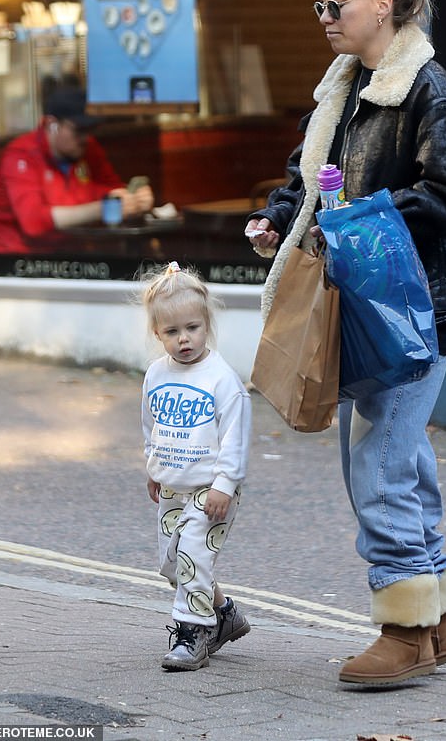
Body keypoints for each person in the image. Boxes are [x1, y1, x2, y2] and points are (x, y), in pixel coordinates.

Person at [246, 0, 446, 687]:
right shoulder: (343, 90)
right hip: (362, 303)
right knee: (401, 455)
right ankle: (439, 617)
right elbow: (311, 175)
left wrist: (360, 217)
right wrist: (281, 215)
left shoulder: (435, 95)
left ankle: (403, 626)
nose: (323, 15)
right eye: (320, 3)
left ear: (384, 6)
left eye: (336, 3)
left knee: (377, 462)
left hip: (412, 310)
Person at [140, 261, 252, 672]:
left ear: (207, 324)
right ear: (158, 334)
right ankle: (224, 614)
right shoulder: (156, 374)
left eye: (192, 328)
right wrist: (154, 466)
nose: (184, 339)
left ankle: (193, 634)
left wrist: (225, 484)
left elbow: (235, 440)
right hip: (172, 485)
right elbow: (151, 424)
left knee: (192, 554)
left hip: (211, 487)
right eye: (172, 332)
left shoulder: (222, 380)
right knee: (173, 562)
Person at [0, 84, 154, 253]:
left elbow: (113, 191)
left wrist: (134, 200)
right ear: (51, 124)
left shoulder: (88, 148)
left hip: (69, 255)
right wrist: (102, 208)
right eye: (79, 130)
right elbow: (34, 223)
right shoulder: (21, 155)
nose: (85, 137)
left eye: (90, 129)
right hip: (11, 261)